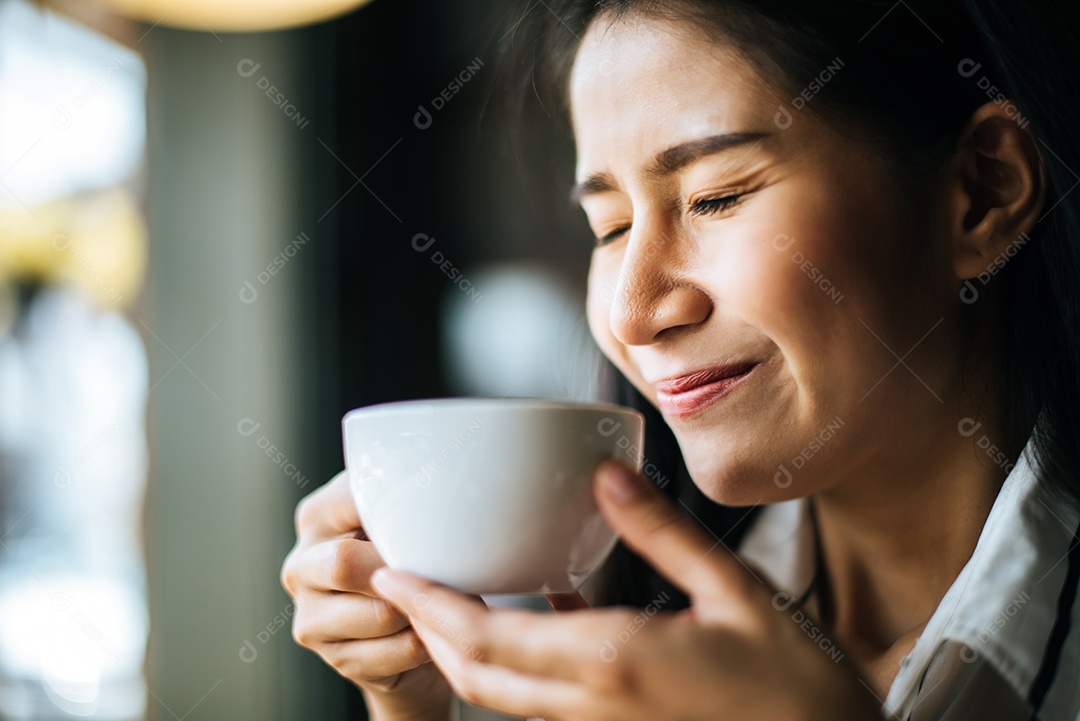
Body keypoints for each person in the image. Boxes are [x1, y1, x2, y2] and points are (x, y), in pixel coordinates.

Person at [280, 1, 1080, 718]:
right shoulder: (633, 649)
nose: (631, 314)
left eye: (716, 196)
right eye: (609, 228)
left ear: (983, 192)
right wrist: (409, 702)